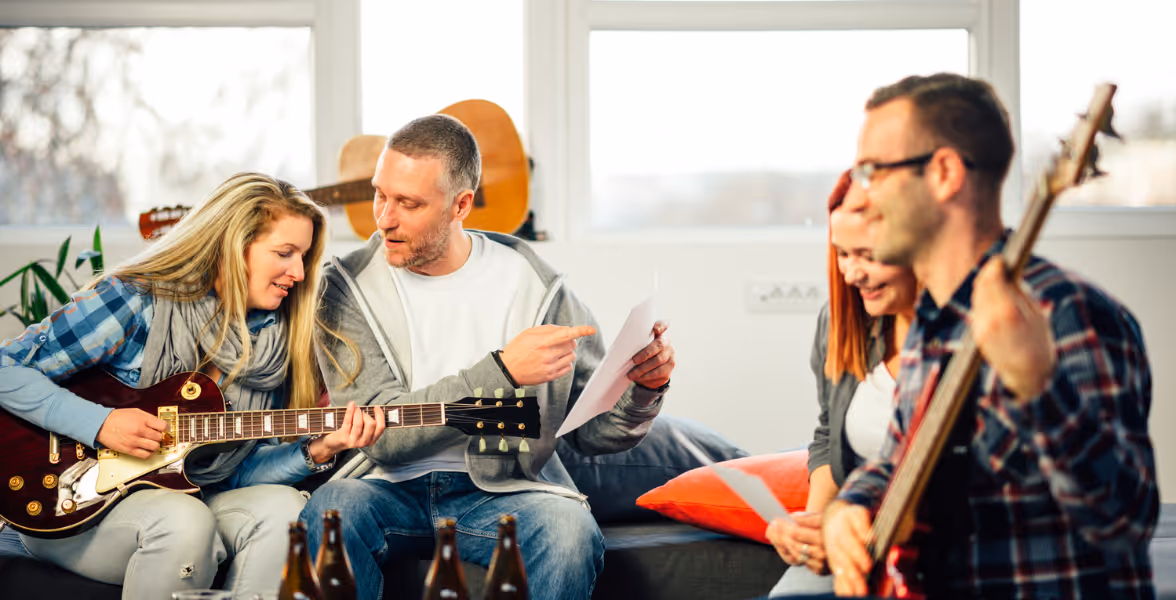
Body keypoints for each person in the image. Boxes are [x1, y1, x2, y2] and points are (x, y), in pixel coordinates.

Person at [300, 114, 676, 600]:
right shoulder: (345, 288)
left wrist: (643, 390)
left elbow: (591, 433)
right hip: (383, 488)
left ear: (461, 205)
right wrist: (502, 372)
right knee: (332, 511)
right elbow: (383, 435)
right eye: (380, 195)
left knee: (568, 530)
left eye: (408, 203)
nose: (384, 218)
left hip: (506, 489)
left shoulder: (536, 286)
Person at [821, 73, 1157, 598]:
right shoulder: (932, 320)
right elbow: (899, 459)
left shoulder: (1067, 313)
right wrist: (851, 507)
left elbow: (1126, 520)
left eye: (872, 171)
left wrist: (1039, 387)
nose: (858, 197)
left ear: (944, 173)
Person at [0, 173, 385, 600]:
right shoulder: (135, 300)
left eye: (304, 256)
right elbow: (5, 367)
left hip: (192, 494)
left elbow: (237, 471)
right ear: (234, 246)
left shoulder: (277, 345)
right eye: (284, 253)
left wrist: (318, 449)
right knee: (185, 520)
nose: (298, 271)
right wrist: (100, 423)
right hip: (69, 506)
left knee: (286, 510)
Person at [763, 172, 919, 597]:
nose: (851, 273)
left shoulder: (958, 338)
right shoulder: (840, 321)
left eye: (867, 255)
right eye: (842, 254)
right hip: (852, 529)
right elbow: (830, 432)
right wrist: (813, 529)